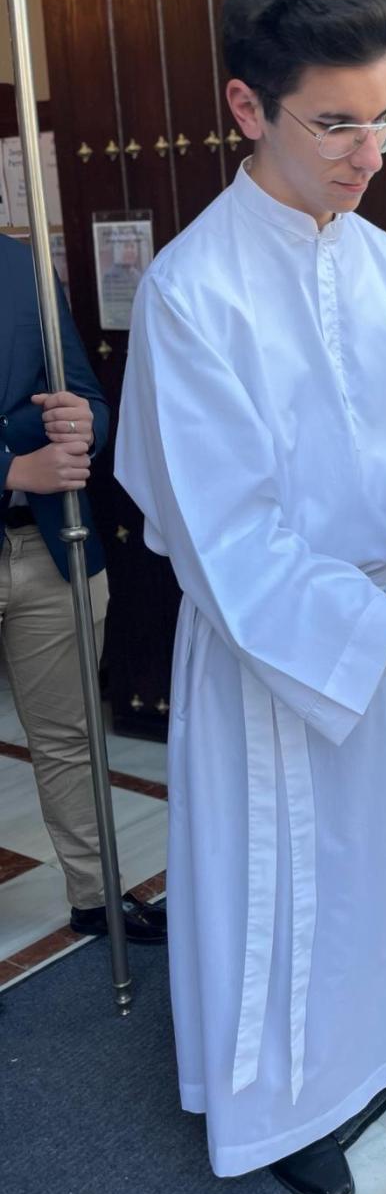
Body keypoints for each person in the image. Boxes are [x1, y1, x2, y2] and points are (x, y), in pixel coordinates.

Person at [115, 0, 386, 1194]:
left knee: (379, 857)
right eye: (336, 122)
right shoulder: (193, 291)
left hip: (381, 610)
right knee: (276, 873)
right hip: (272, 638)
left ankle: (371, 1046)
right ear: (249, 106)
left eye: (384, 117)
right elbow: (226, 536)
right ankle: (279, 1097)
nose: (369, 152)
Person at [0, 234, 165, 944]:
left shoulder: (17, 264)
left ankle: (96, 895)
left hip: (45, 545)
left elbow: (86, 396)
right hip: (24, 493)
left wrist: (82, 425)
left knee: (69, 735)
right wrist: (12, 463)